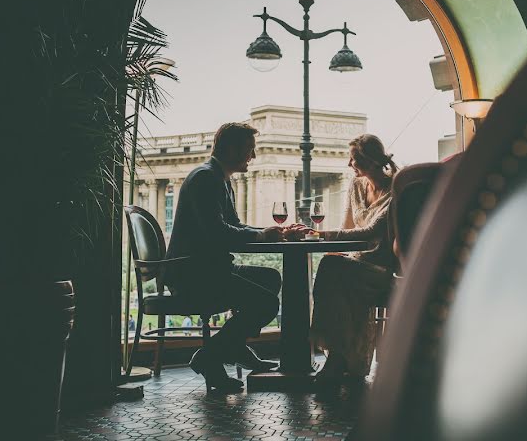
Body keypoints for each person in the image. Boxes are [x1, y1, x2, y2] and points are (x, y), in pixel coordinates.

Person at [165, 122, 306, 392]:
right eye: (248, 150)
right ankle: (211, 357)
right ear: (231, 149)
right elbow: (217, 232)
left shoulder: (217, 177)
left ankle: (233, 348)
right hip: (194, 274)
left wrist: (266, 232)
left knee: (270, 277)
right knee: (266, 304)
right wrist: (260, 236)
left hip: (205, 268)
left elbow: (235, 226)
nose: (252, 157)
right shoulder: (207, 179)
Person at [310, 134, 399, 387]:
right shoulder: (356, 185)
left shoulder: (395, 190)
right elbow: (347, 226)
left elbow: (370, 231)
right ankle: (340, 358)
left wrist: (323, 235)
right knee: (333, 266)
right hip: (356, 264)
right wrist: (333, 247)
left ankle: (337, 359)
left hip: (382, 268)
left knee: (332, 270)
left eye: (354, 159)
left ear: (370, 161)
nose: (350, 165)